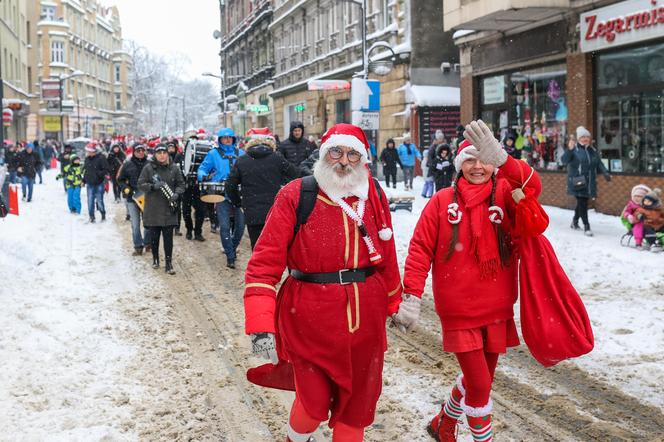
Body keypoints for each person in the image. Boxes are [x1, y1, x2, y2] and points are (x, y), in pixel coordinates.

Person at [243, 123, 402, 442]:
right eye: (336, 152)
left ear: (363, 160)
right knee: (313, 404)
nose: (344, 161)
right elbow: (263, 264)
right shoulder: (296, 194)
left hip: (365, 323)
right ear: (323, 154)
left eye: (353, 155)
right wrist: (261, 323)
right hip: (308, 319)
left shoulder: (374, 194)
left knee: (357, 410)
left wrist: (395, 301)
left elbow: (386, 251)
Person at [396, 120, 543, 442]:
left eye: (484, 159)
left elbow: (533, 187)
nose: (478, 167)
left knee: (482, 381)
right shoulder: (442, 201)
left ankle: (443, 423)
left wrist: (505, 160)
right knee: (479, 387)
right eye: (470, 160)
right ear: (459, 165)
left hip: (498, 305)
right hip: (459, 309)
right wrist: (412, 296)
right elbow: (420, 249)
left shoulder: (505, 194)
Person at [226, 128, 298, 249]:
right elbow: (295, 175)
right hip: (274, 211)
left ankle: (259, 267)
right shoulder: (277, 158)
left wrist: (238, 203)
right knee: (275, 247)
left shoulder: (242, 161)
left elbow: (229, 185)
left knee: (257, 247)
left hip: (252, 212)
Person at [197, 128, 245, 268]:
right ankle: (230, 256)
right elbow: (202, 168)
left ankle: (232, 247)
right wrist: (203, 176)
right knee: (224, 227)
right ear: (220, 140)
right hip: (221, 194)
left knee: (240, 226)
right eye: (224, 138)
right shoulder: (213, 154)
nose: (227, 140)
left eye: (230, 137)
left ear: (234, 139)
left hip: (238, 194)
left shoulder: (241, 154)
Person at [138, 144, 185, 274]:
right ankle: (155, 259)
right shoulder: (148, 168)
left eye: (164, 152)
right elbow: (140, 184)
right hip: (153, 207)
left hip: (169, 208)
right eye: (159, 153)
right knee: (154, 237)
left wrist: (177, 193)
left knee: (168, 238)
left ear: (167, 154)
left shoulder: (174, 168)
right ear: (155, 154)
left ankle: (169, 264)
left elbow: (181, 184)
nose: (162, 155)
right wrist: (153, 186)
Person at [561, 126, 611, 237]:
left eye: (587, 137)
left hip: (589, 182)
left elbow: (599, 163)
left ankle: (574, 221)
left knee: (582, 202)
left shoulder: (592, 151)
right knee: (583, 202)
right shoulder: (574, 150)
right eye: (582, 137)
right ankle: (586, 226)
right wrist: (569, 150)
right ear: (578, 138)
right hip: (578, 180)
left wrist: (605, 172)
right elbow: (564, 161)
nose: (585, 139)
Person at [118, 144, 152, 255]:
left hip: (146, 197)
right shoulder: (128, 164)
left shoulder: (150, 164)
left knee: (148, 222)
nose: (141, 152)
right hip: (132, 198)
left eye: (142, 150)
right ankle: (138, 246)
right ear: (134, 152)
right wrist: (126, 189)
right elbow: (120, 179)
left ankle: (148, 243)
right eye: (138, 150)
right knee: (135, 224)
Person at [83, 144, 109, 223]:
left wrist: (98, 174)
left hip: (99, 183)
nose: (88, 153)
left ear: (94, 151)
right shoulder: (87, 159)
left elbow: (106, 169)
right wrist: (84, 180)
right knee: (90, 200)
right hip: (90, 183)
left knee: (99, 200)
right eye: (87, 151)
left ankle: (103, 214)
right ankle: (91, 216)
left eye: (90, 151)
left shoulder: (101, 158)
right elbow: (86, 171)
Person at [621, 184, 650, 250]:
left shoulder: (648, 206)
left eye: (640, 196)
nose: (637, 198)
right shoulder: (631, 204)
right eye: (635, 196)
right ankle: (638, 243)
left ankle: (653, 241)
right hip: (635, 221)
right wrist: (628, 216)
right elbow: (626, 212)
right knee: (638, 227)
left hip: (648, 222)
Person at [635, 188, 664, 253]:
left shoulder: (658, 209)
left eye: (649, 201)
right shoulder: (641, 209)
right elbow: (636, 213)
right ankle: (653, 243)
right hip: (649, 225)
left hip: (659, 225)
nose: (646, 202)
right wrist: (639, 216)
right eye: (645, 200)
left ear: (654, 203)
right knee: (648, 231)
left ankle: (661, 240)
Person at [167, 140, 185, 236]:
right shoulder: (163, 158)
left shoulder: (179, 157)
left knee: (177, 207)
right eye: (169, 148)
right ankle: (168, 226)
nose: (171, 149)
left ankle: (177, 228)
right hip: (167, 186)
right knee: (167, 207)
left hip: (177, 186)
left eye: (172, 148)